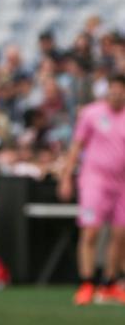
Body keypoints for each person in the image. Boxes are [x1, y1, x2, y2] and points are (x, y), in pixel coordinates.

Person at [58, 74, 125, 305]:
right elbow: (76, 146)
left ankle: (110, 283)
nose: (116, 93)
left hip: (122, 183)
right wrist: (66, 177)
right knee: (91, 232)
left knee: (120, 235)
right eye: (113, 89)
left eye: (121, 90)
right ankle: (87, 283)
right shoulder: (92, 113)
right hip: (94, 179)